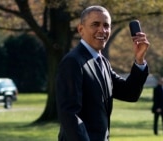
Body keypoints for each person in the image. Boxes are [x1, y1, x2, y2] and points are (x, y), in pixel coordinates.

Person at [55, 5, 149, 141]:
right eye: (95, 24)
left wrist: (139, 60)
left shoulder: (103, 62)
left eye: (106, 25)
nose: (102, 30)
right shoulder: (73, 62)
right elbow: (69, 115)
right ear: (81, 29)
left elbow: (130, 93)